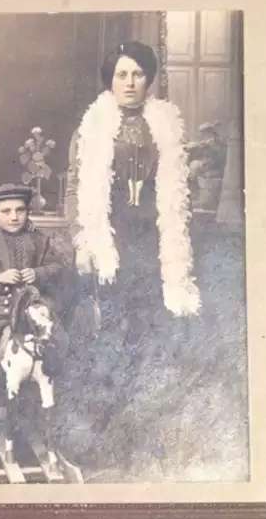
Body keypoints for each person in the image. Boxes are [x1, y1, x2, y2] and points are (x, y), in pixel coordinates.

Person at [58, 40, 200, 472]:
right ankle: (99, 436)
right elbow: (74, 191)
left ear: (149, 78)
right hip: (109, 243)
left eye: (137, 73)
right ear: (110, 80)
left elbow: (176, 194)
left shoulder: (166, 126)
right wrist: (83, 242)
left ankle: (143, 432)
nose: (130, 82)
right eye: (121, 74)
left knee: (151, 338)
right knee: (107, 339)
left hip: (151, 248)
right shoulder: (91, 127)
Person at [0, 183, 66, 439]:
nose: (13, 216)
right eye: (6, 211)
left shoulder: (40, 240)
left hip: (31, 308)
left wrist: (39, 273)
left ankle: (45, 402)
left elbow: (57, 266)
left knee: (51, 341)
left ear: (27, 212)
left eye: (20, 210)